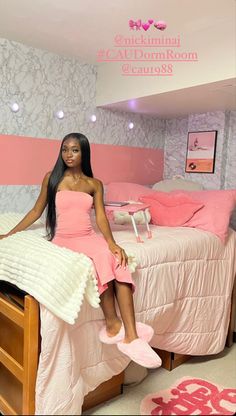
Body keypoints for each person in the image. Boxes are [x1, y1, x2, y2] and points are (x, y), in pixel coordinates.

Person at [0, 132, 161, 369]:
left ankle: (131, 335)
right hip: (65, 239)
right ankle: (113, 323)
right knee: (102, 261)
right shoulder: (52, 178)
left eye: (74, 150)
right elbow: (36, 211)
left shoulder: (94, 184)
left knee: (118, 260)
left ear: (83, 152)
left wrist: (112, 243)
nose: (68, 154)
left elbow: (101, 218)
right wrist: (11, 233)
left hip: (88, 236)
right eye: (65, 149)